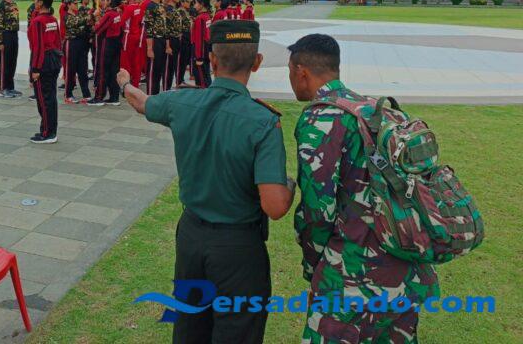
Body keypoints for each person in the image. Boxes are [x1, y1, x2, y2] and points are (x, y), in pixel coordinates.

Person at [118, 20, 295, 343]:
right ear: (257, 63)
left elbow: (141, 101)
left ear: (212, 61)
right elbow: (275, 206)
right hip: (238, 249)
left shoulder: (182, 102)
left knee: (190, 329)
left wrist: (125, 83)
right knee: (237, 332)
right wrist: (290, 184)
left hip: (191, 239)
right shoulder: (262, 121)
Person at [288, 34, 439, 343]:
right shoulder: (381, 111)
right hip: (405, 271)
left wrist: (315, 270)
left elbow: (318, 212)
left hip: (350, 281)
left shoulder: (319, 118)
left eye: (289, 71)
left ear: (301, 72)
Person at [29, 0, 61, 143]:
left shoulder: (38, 21)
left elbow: (38, 47)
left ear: (41, 2)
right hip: (53, 59)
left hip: (43, 62)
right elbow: (58, 42)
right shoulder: (52, 19)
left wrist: (35, 69)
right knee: (50, 98)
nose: (34, 1)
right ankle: (48, 129)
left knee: (44, 99)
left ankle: (48, 133)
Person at [88, 0, 123, 106]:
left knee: (102, 70)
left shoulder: (109, 14)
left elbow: (97, 29)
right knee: (114, 71)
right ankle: (114, 97)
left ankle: (99, 97)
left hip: (107, 44)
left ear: (110, 1)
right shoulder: (117, 13)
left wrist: (95, 17)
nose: (103, 1)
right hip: (116, 43)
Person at [0, 0, 22, 98]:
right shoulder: (2, 5)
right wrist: (0, 41)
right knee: (5, 63)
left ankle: (10, 87)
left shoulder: (14, 4)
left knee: (12, 62)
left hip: (14, 34)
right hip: (5, 35)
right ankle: (3, 88)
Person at [63, 0, 91, 103]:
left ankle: (86, 94)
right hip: (72, 43)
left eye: (77, 3)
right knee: (71, 70)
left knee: (83, 70)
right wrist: (91, 16)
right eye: (74, 3)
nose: (76, 5)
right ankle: (68, 94)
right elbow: (77, 22)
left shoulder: (78, 15)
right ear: (69, 5)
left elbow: (85, 25)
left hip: (81, 43)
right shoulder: (67, 16)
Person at [143, 0, 167, 95]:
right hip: (154, 41)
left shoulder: (161, 6)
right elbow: (148, 28)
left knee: (159, 71)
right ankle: (150, 96)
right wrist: (149, 48)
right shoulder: (151, 6)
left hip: (162, 41)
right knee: (153, 72)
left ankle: (156, 95)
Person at [119, 0, 144, 89]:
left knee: (125, 62)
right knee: (135, 62)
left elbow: (121, 22)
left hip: (128, 36)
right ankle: (135, 84)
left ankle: (126, 85)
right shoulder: (139, 7)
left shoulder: (129, 8)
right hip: (137, 36)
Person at [191, 0, 212, 88]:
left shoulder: (200, 18)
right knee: (206, 76)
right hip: (206, 51)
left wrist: (199, 58)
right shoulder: (207, 15)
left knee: (201, 81)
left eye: (196, 3)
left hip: (200, 52)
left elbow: (199, 39)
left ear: (202, 4)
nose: (194, 6)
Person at [163, 0, 182, 91]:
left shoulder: (174, 9)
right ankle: (166, 90)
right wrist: (167, 46)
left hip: (176, 40)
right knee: (168, 68)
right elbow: (166, 29)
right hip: (170, 40)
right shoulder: (168, 10)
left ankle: (168, 89)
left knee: (172, 66)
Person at [175, 0, 193, 86]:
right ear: (182, 2)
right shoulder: (179, 11)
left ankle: (181, 79)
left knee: (185, 60)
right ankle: (179, 81)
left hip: (187, 37)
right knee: (180, 60)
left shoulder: (186, 11)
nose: (189, 3)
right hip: (182, 37)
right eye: (187, 2)